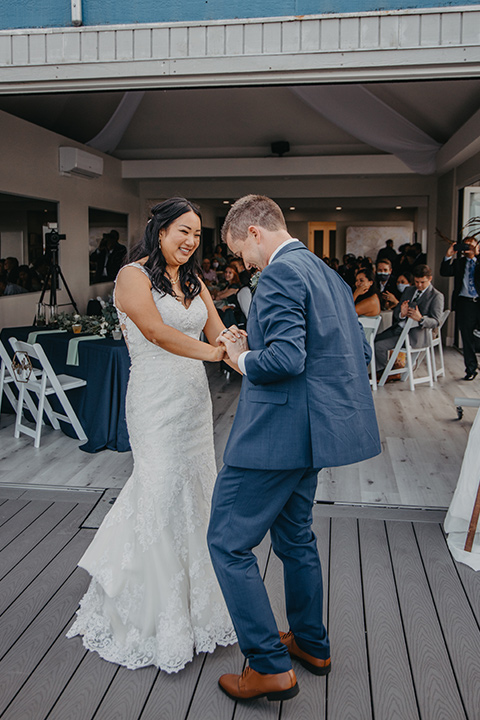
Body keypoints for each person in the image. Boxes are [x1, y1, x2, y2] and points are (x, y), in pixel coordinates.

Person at [207, 195, 381, 702]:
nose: (244, 264)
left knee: (227, 542)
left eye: (241, 251)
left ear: (255, 232)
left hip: (274, 436)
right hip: (312, 435)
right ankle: (311, 644)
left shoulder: (281, 274)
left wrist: (240, 356)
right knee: (295, 540)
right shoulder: (327, 274)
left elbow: (284, 358)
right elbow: (358, 349)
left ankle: (267, 665)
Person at [67, 198, 237, 671]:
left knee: (196, 495)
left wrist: (234, 345)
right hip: (155, 402)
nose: (190, 241)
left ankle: (199, 607)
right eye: (183, 230)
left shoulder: (195, 279)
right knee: (158, 493)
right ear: (159, 230)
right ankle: (151, 613)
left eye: (198, 235)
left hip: (193, 404)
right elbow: (157, 332)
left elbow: (217, 330)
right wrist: (214, 355)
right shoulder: (131, 277)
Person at [374, 264, 444, 373]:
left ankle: (383, 373)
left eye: (422, 282)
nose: (419, 285)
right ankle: (383, 371)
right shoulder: (409, 290)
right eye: (416, 282)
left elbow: (436, 322)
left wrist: (420, 319)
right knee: (374, 340)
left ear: (430, 279)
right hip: (398, 330)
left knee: (379, 346)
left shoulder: (436, 296)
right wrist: (401, 314)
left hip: (415, 336)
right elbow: (396, 312)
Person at [440, 236, 480, 380]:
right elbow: (444, 272)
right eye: (465, 245)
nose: (468, 247)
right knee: (467, 337)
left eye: (471, 245)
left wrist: (477, 255)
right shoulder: (459, 263)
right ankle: (471, 369)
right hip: (465, 303)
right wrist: (448, 255)